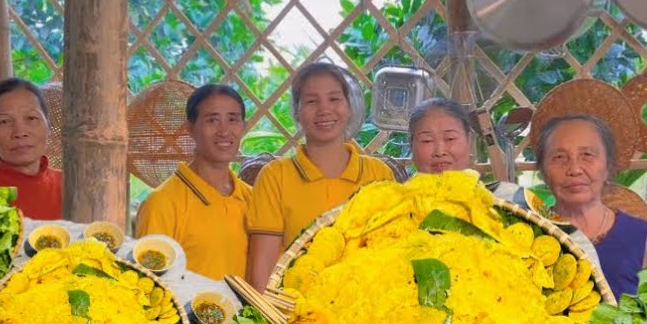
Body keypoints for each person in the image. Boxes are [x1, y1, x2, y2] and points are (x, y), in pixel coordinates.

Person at [246, 62, 395, 289]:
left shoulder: (378, 173)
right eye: (312, 101)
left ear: (349, 107)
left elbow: (392, 255)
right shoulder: (275, 176)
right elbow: (261, 275)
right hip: (294, 314)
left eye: (334, 99)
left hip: (364, 309)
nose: (324, 109)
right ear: (297, 111)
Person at [135, 85, 252, 280]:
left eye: (233, 119)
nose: (224, 131)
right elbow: (149, 286)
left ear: (243, 127)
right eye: (212, 120)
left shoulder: (254, 199)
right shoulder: (162, 204)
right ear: (190, 128)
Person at [537, 114, 647, 297]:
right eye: (559, 157)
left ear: (608, 166)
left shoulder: (643, 238)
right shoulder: (529, 235)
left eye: (587, 155)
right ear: (543, 171)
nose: (574, 169)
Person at [0, 78, 63, 220]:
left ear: (48, 126)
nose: (20, 132)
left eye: (31, 118)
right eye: (5, 121)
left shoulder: (75, 188)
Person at [409, 98, 474, 174]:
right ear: (411, 146)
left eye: (450, 138)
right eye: (427, 141)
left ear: (468, 141)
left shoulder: (479, 186)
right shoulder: (399, 186)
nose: (440, 152)